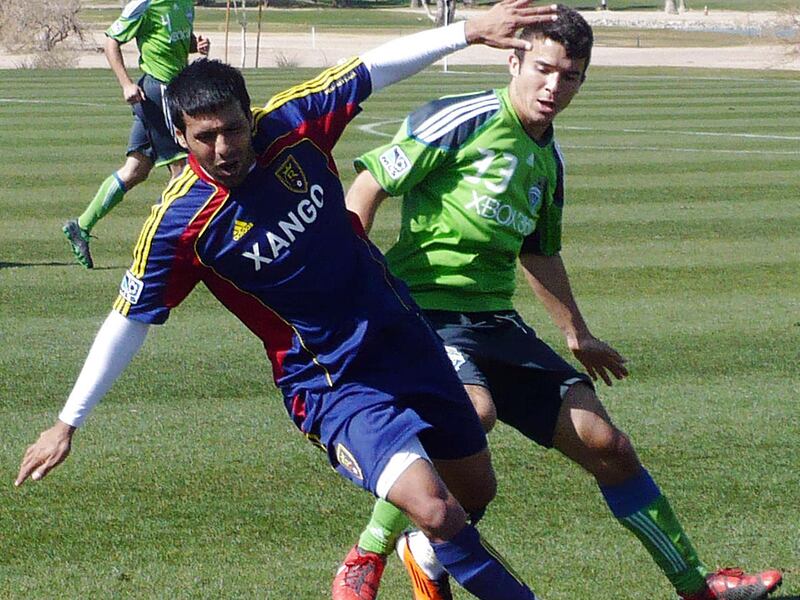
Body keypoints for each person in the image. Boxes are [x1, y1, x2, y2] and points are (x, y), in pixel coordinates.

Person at [16, 3, 564, 599]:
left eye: (233, 128)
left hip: (402, 335)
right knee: (435, 509)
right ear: (179, 136)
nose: (224, 147)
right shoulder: (180, 225)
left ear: (248, 115)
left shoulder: (291, 124)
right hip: (330, 381)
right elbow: (128, 319)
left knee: (474, 493)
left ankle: (413, 559)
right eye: (205, 137)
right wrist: (67, 422)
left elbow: (368, 68)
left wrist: (468, 31)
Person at [333, 6, 783, 600]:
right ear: (514, 60)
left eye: (569, 75)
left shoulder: (549, 158)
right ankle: (366, 553)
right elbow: (366, 188)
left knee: (607, 444)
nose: (553, 86)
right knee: (473, 412)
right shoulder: (463, 119)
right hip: (422, 313)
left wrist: (576, 332)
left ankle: (697, 586)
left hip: (494, 322)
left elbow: (539, 252)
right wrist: (357, 292)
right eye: (543, 69)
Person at [63, 0, 210, 269]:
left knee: (136, 169)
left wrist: (195, 46)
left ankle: (81, 226)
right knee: (183, 171)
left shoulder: (186, 4)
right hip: (158, 92)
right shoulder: (145, 4)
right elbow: (111, 39)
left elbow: (175, 41)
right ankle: (167, 248)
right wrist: (126, 84)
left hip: (175, 91)